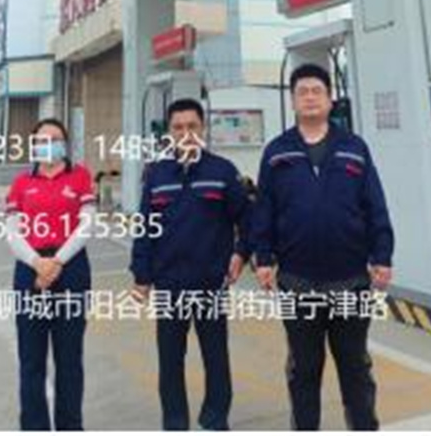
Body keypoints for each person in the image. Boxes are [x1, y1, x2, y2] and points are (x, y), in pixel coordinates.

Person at [251, 64, 394, 431]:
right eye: (302, 92)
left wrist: (382, 255)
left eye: (317, 90)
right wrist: (263, 258)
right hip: (297, 283)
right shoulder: (277, 152)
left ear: (330, 99)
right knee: (304, 369)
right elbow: (264, 209)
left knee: (355, 367)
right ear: (293, 100)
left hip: (350, 282)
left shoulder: (354, 148)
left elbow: (374, 205)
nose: (310, 97)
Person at [130, 98, 253, 430]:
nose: (185, 133)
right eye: (178, 127)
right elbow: (145, 227)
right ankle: (175, 423)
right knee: (170, 362)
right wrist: (141, 274)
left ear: (203, 128)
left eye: (192, 126)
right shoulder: (157, 175)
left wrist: (240, 253)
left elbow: (248, 218)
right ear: (169, 133)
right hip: (169, 285)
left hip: (211, 283)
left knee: (216, 358)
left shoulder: (222, 172)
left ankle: (215, 419)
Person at [5, 117, 95, 430]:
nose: (49, 145)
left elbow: (87, 225)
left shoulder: (80, 176)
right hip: (29, 271)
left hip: (70, 269)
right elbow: (13, 233)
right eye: (42, 140)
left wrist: (56, 261)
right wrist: (37, 262)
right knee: (31, 361)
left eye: (55, 139)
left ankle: (71, 426)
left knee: (69, 360)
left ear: (65, 144)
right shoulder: (21, 183)